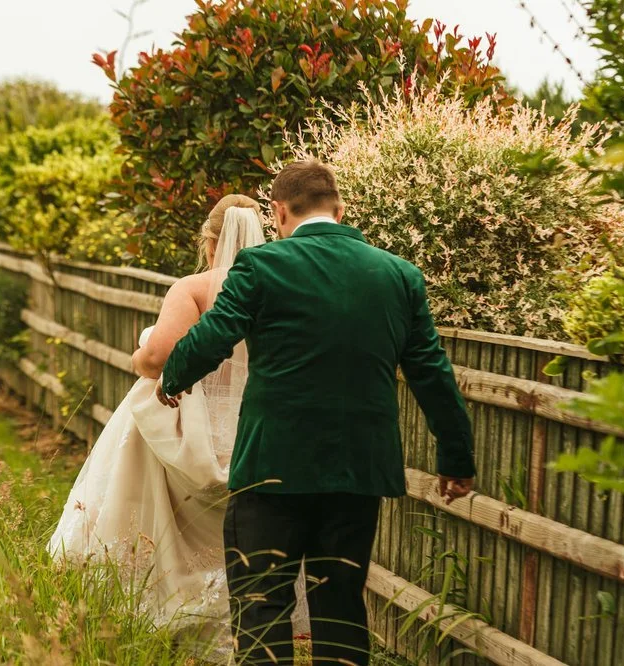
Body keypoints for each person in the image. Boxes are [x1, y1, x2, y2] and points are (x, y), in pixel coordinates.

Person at [158, 161, 477, 665]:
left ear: (279, 212)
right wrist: (456, 458)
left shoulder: (261, 266)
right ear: (340, 210)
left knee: (262, 605)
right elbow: (431, 373)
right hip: (358, 472)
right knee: (339, 605)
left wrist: (172, 379)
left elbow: (214, 336)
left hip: (272, 471)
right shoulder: (399, 275)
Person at [48, 194, 285, 658]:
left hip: (188, 437)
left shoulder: (195, 288)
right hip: (255, 432)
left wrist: (138, 353)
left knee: (167, 531)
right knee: (237, 542)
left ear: (210, 241)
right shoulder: (282, 288)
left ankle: (159, 622)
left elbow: (159, 360)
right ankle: (239, 638)